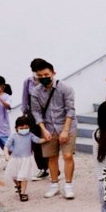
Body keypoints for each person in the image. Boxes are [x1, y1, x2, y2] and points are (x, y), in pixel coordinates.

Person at [23, 58, 77, 200]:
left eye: (46, 75)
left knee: (67, 156)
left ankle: (69, 186)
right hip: (47, 126)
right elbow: (36, 112)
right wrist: (43, 129)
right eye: (40, 76)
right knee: (51, 157)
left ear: (53, 73)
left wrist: (65, 130)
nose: (43, 78)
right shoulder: (35, 91)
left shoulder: (65, 88)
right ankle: (54, 185)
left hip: (67, 125)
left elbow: (70, 110)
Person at [4, 116, 37, 202]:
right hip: (15, 159)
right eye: (21, 128)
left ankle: (23, 193)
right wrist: (6, 155)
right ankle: (18, 185)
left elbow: (37, 140)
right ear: (16, 128)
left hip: (26, 159)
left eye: (26, 128)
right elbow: (6, 146)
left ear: (29, 127)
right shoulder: (13, 136)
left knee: (23, 176)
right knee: (14, 175)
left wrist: (46, 139)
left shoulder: (30, 135)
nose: (24, 129)